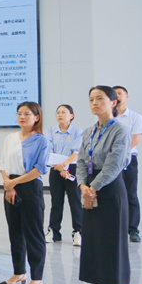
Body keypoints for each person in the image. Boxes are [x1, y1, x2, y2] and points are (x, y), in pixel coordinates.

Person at [77, 86, 132, 284]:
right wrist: (83, 187)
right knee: (97, 244)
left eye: (100, 98)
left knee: (114, 245)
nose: (94, 103)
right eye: (91, 99)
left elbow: (114, 164)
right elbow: (81, 161)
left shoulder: (120, 129)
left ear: (113, 102)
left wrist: (93, 189)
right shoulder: (89, 131)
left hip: (110, 190)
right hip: (90, 188)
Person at [0, 102, 50, 284]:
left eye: (27, 114)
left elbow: (39, 169)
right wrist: (9, 185)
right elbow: (2, 164)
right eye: (19, 113)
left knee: (33, 233)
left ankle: (37, 277)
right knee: (15, 231)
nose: (22, 117)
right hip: (10, 186)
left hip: (30, 187)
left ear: (36, 117)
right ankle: (19, 272)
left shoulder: (41, 141)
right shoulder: (10, 138)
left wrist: (14, 183)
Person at [45, 104, 84, 245]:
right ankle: (53, 231)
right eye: (58, 112)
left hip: (72, 168)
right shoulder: (51, 131)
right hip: (56, 168)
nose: (60, 115)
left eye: (64, 112)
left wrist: (65, 165)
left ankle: (78, 231)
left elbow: (76, 152)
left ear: (71, 115)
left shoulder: (78, 131)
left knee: (75, 201)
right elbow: (49, 150)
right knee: (56, 202)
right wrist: (61, 168)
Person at [113, 86, 142, 243]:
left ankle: (133, 230)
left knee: (130, 194)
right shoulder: (109, 117)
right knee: (113, 194)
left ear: (126, 96)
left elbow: (136, 139)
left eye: (120, 94)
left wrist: (121, 154)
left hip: (129, 159)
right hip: (111, 161)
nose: (117, 96)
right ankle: (116, 228)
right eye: (115, 94)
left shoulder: (135, 117)